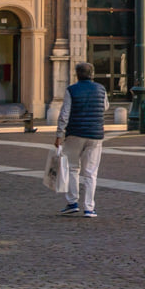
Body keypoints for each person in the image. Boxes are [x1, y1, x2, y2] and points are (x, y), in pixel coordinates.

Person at [55, 62, 109, 217]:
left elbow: (65, 114)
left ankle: (72, 202)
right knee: (91, 172)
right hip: (95, 134)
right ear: (92, 74)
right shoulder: (101, 89)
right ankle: (89, 207)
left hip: (75, 133)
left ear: (77, 74)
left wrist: (59, 134)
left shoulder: (71, 90)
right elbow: (105, 107)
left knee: (72, 168)